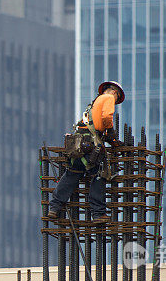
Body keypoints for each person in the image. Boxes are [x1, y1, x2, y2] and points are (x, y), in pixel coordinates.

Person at [48, 81, 125, 221]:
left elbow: (95, 127)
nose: (115, 100)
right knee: (99, 175)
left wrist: (110, 140)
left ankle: (54, 207)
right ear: (114, 92)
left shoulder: (93, 105)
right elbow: (107, 118)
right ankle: (98, 214)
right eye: (116, 97)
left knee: (71, 174)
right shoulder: (107, 98)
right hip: (90, 146)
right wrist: (112, 134)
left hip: (78, 145)